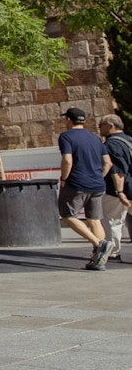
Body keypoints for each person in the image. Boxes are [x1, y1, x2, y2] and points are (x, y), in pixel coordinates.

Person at [57, 107, 113, 271]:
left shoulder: (66, 137)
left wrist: (64, 179)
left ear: (68, 120)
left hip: (76, 183)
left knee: (67, 216)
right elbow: (108, 162)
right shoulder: (95, 138)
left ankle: (99, 244)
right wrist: (99, 176)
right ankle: (99, 259)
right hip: (97, 184)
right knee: (94, 220)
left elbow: (67, 160)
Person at [98, 114, 132, 262]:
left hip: (117, 190)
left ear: (111, 126)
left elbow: (117, 170)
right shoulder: (129, 140)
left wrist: (119, 191)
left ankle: (112, 252)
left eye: (101, 126)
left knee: (113, 221)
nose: (99, 129)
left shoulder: (111, 145)